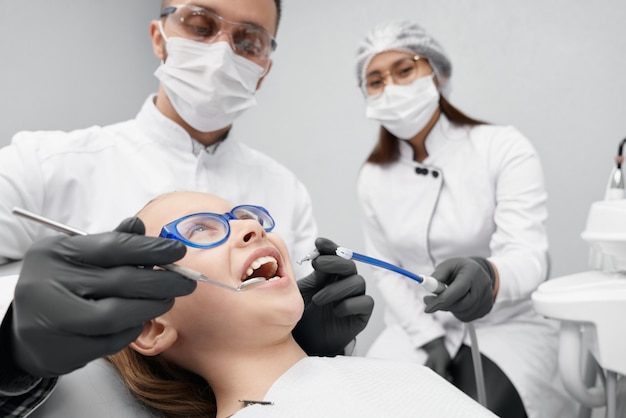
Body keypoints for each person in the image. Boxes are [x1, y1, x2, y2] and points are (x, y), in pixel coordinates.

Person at [0, 0, 374, 415]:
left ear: (264, 68)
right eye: (200, 24)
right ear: (160, 37)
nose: (222, 49)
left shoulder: (284, 187)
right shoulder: (41, 164)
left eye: (248, 40)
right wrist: (9, 351)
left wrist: (309, 339)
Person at [104, 190, 497, 418]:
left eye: (243, 216)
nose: (250, 227)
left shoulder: (403, 375)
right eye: (198, 230)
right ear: (152, 327)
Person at [353, 20, 577, 418]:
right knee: (368, 407)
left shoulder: (502, 148)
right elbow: (388, 272)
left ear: (437, 73)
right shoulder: (373, 176)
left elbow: (530, 256)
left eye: (405, 70)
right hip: (415, 329)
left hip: (506, 326)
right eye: (375, 81)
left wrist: (489, 276)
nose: (391, 87)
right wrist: (429, 339)